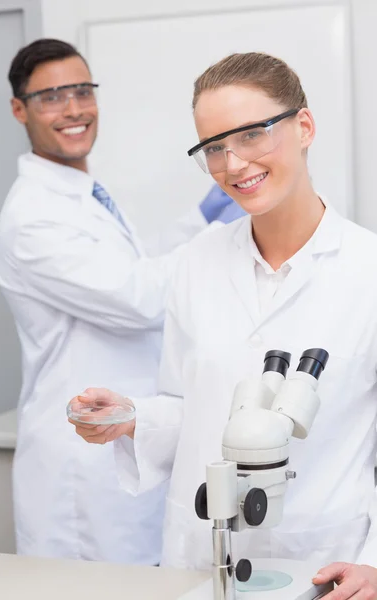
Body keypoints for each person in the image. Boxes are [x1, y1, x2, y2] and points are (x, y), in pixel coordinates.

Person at [69, 52, 377, 598]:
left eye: (253, 134)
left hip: (327, 565)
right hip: (204, 561)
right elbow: (192, 405)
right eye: (214, 148)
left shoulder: (367, 270)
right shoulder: (196, 261)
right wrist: (133, 419)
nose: (234, 165)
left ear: (304, 127)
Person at [0, 38, 244, 563]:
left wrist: (199, 219)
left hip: (128, 436)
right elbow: (140, 297)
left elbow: (137, 265)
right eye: (52, 97)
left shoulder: (84, 192)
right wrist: (222, 238)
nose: (74, 109)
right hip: (82, 472)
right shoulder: (32, 219)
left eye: (83, 91)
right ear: (20, 109)